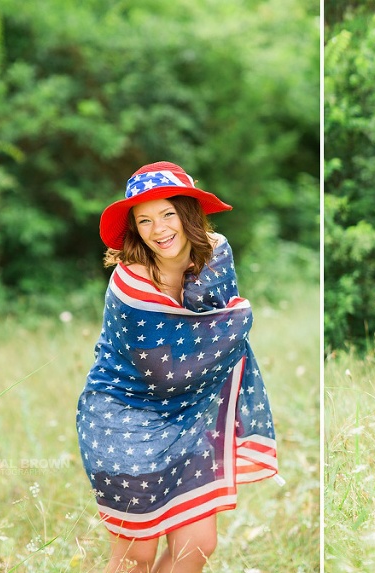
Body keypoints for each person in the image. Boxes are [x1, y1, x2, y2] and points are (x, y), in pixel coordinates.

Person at [76, 161, 279, 572]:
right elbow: (168, 368)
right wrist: (238, 319)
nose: (159, 229)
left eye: (168, 214)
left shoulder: (216, 254)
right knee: (137, 554)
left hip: (188, 415)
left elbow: (217, 341)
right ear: (135, 228)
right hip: (122, 415)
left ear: (187, 213)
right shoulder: (129, 284)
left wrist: (230, 325)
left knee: (198, 545)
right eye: (145, 220)